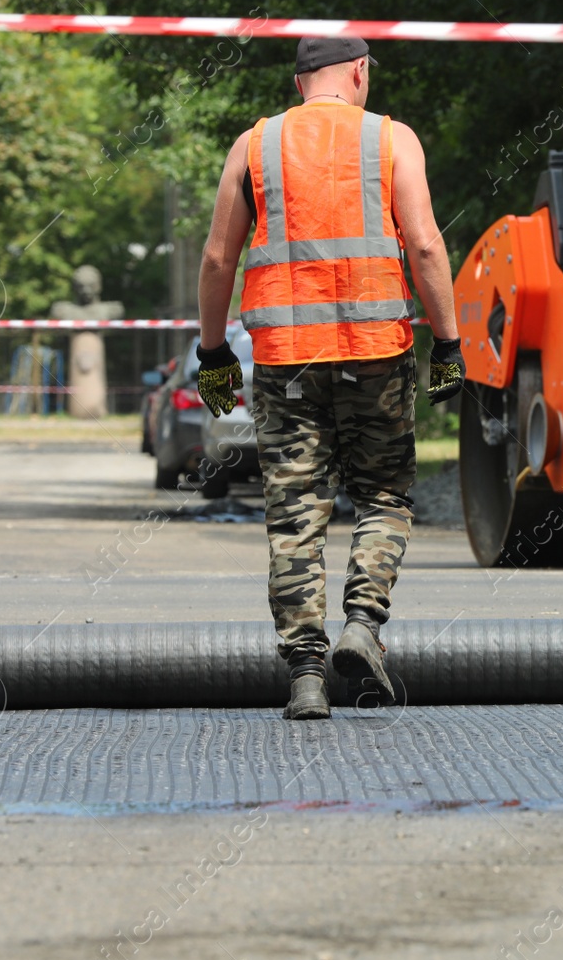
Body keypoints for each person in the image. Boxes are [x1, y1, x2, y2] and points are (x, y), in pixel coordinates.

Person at [194, 36, 466, 721]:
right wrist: (449, 343)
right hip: (376, 350)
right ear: (358, 72)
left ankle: (306, 675)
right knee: (381, 494)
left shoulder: (253, 146)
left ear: (298, 82)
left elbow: (217, 258)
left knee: (294, 512)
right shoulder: (391, 139)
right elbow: (426, 242)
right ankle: (363, 626)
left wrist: (212, 354)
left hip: (286, 358)